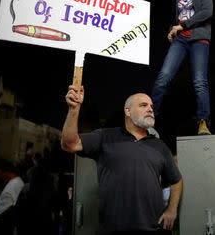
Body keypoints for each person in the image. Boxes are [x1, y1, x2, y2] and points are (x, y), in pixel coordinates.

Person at [62, 86, 183, 235]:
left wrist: (172, 210)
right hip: (113, 230)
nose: (150, 109)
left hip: (154, 229)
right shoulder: (106, 137)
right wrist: (74, 109)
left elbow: (176, 180)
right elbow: (70, 144)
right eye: (143, 105)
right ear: (127, 111)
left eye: (151, 106)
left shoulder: (160, 146)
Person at [151, 0, 213, 135]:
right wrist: (172, 29)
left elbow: (207, 13)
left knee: (199, 81)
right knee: (164, 76)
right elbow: (176, 19)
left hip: (199, 40)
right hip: (180, 40)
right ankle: (150, 119)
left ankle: (203, 122)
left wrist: (182, 26)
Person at [0, 159, 25, 235]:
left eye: (1, 174)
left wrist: (0, 216)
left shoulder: (17, 183)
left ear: (7, 172)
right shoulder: (12, 181)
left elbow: (15, 206)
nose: (0, 176)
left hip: (4, 222)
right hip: (0, 220)